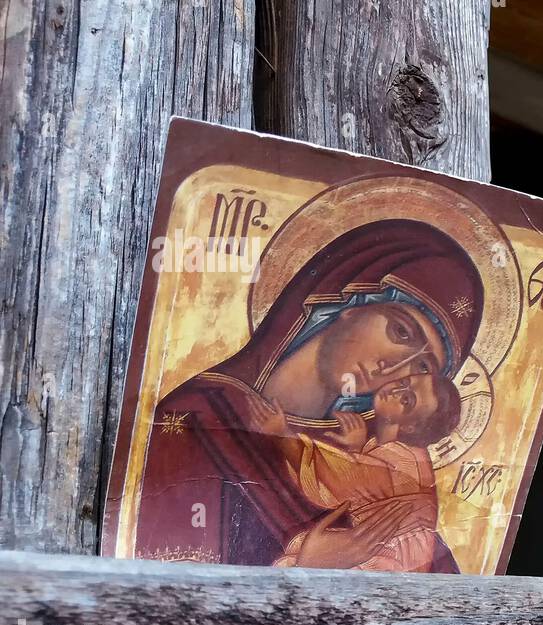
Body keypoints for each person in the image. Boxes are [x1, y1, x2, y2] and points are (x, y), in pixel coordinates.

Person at [129, 219, 483, 571]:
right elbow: (160, 589)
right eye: (400, 331)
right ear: (351, 298)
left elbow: (429, 611)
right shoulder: (199, 417)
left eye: (421, 367)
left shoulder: (388, 481)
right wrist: (309, 567)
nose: (392, 370)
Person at [246, 370, 462, 572]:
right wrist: (355, 450)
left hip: (386, 565)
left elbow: (331, 478)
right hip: (379, 553)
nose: (395, 391)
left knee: (294, 563)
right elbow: (367, 482)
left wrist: (281, 435)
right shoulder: (403, 453)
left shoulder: (403, 464)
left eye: (407, 400)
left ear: (410, 427)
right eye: (404, 383)